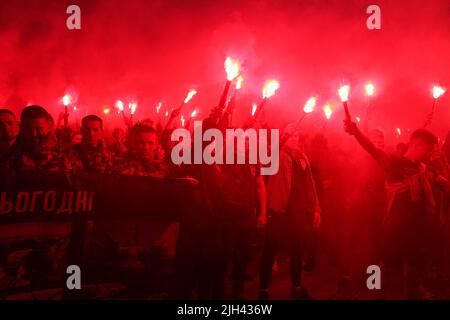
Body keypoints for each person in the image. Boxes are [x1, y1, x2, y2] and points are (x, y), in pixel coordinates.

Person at [344, 119, 442, 299]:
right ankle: (374, 289)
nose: (432, 153)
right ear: (417, 146)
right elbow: (373, 150)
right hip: (395, 229)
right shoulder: (395, 164)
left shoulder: (423, 168)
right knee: (384, 264)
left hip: (416, 230)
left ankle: (413, 291)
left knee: (415, 265)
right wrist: (356, 131)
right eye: (429, 149)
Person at [259, 126, 321, 300]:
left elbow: (310, 184)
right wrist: (281, 139)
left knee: (296, 251)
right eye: (291, 136)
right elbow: (266, 158)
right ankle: (264, 288)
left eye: (296, 135)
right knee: (269, 249)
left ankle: (297, 286)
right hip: (277, 209)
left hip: (296, 213)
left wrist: (316, 208)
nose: (294, 139)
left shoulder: (302, 158)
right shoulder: (277, 155)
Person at [10, 105, 70, 172]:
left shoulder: (63, 153)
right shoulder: (11, 153)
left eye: (39, 129)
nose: (34, 134)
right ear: (21, 128)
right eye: (29, 129)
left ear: (49, 126)